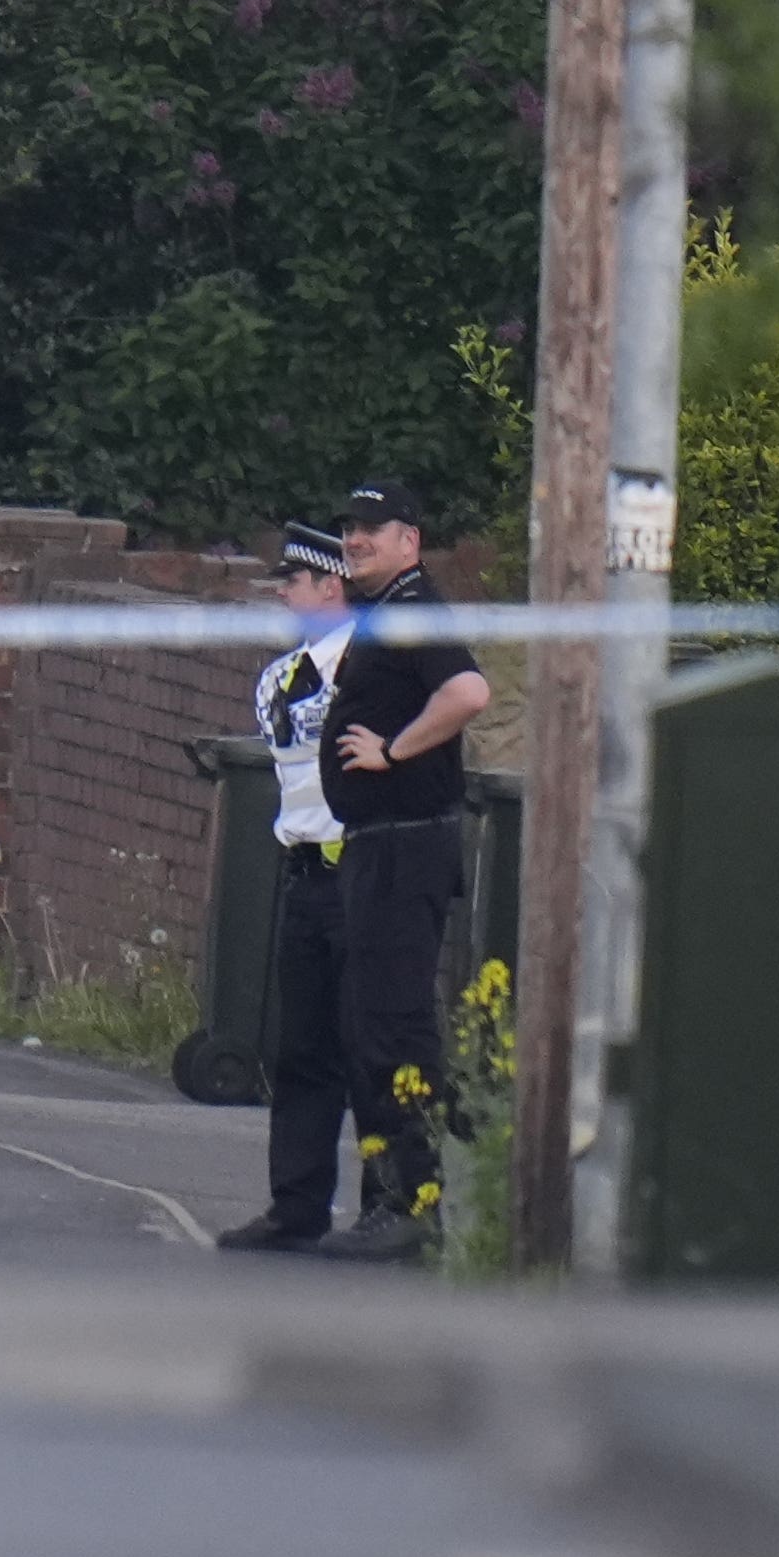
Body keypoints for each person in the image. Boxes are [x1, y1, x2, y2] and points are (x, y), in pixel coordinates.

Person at [259, 483, 485, 1262]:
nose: (354, 542)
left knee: (392, 1031)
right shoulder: (387, 613)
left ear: (409, 541)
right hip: (373, 845)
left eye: (370, 531)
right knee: (351, 1031)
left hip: (405, 843)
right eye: (348, 530)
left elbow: (468, 691)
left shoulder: (416, 608)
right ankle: (332, 1207)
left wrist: (394, 750)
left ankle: (410, 1202)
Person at [215, 522, 362, 1251]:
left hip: (365, 873)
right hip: (305, 870)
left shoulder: (378, 665)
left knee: (374, 1045)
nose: (282, 592)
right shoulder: (283, 677)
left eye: (293, 581)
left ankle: (396, 1207)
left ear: (330, 584)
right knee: (300, 1049)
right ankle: (295, 1204)